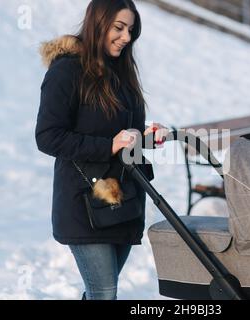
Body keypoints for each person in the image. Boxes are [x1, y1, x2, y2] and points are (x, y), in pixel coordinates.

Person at [35, 0, 167, 300]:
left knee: (100, 293)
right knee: (104, 293)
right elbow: (47, 136)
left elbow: (123, 136)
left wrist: (145, 137)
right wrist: (109, 145)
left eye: (131, 30)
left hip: (123, 200)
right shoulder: (67, 71)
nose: (126, 37)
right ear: (97, 23)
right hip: (86, 202)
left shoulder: (122, 72)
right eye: (118, 28)